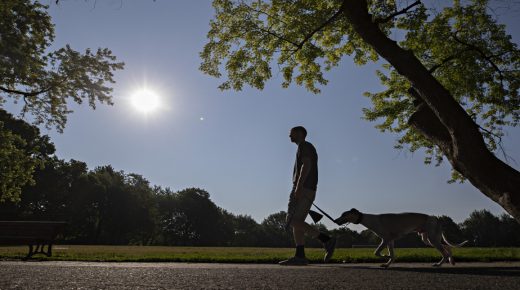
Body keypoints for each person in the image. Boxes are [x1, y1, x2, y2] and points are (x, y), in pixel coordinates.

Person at [279, 126, 336, 266]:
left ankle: (326, 239)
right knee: (297, 223)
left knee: (291, 220)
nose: (289, 136)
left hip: (303, 188)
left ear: (299, 133)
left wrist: (299, 187)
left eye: (291, 133)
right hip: (307, 188)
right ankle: (300, 256)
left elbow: (306, 165)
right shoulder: (305, 147)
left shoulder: (305, 146)